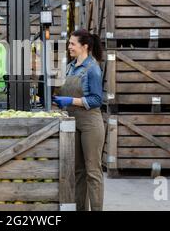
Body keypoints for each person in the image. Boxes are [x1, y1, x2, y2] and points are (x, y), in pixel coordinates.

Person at [52, 29, 105, 211]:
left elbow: (97, 99)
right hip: (72, 121)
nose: (69, 47)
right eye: (69, 44)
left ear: (85, 46)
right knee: (78, 172)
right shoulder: (70, 67)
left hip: (90, 123)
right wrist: (56, 99)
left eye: (72, 44)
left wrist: (71, 101)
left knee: (93, 172)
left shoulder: (93, 68)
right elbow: (63, 91)